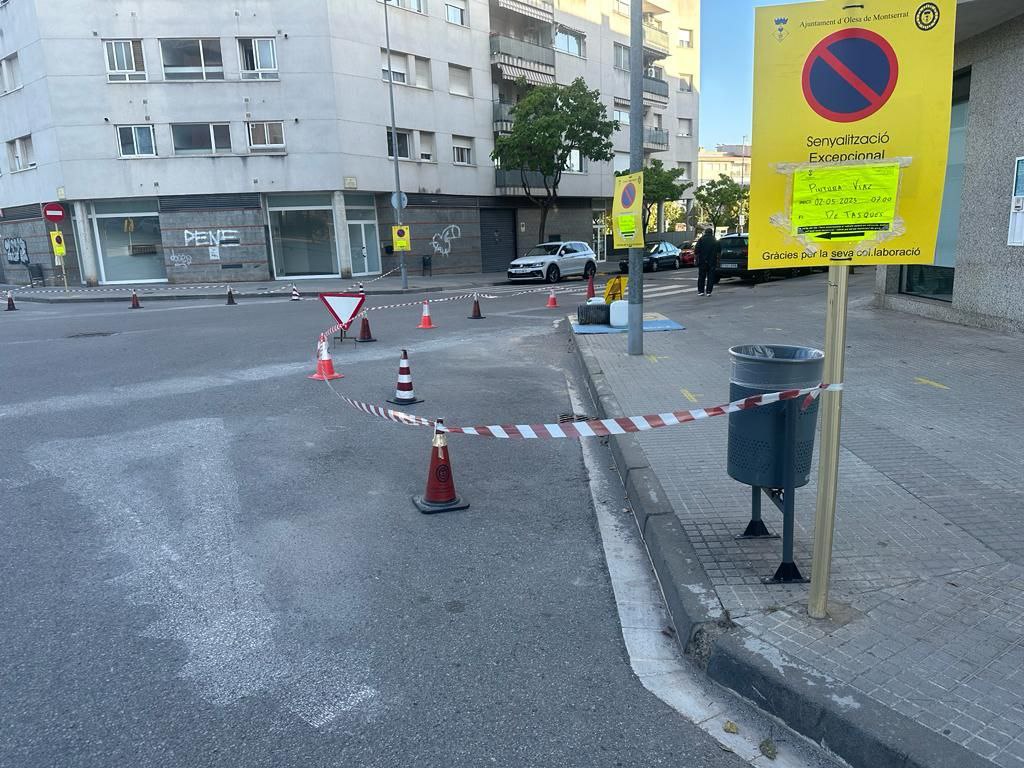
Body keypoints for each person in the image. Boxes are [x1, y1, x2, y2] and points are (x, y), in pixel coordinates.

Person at [695, 228, 720, 296]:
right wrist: (717, 261)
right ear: (711, 232)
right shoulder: (715, 240)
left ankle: (701, 291)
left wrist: (697, 259)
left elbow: (696, 250)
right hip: (712, 261)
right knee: (710, 277)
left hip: (702, 261)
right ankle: (709, 291)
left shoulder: (701, 239)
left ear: (705, 232)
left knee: (701, 276)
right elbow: (719, 251)